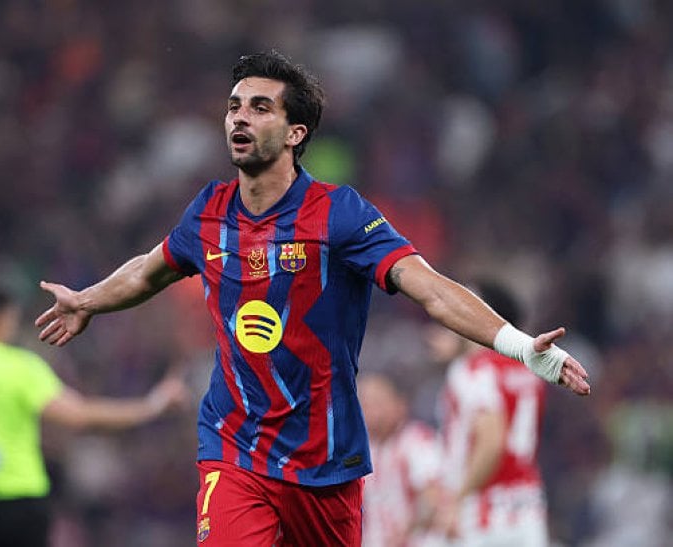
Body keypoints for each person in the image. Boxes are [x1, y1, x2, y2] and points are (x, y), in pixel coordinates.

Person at [35, 50, 590, 546]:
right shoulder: (209, 211)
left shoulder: (338, 214)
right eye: (234, 107)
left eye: (259, 108)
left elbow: (432, 290)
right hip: (235, 447)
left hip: (325, 460)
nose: (239, 118)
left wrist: (520, 346)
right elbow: (148, 271)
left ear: (295, 132)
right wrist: (87, 301)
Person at [0, 284, 188, 547]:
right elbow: (81, 417)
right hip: (21, 506)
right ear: (4, 318)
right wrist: (152, 405)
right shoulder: (19, 368)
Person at [427, 280, 549, 546]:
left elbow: (491, 442)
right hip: (526, 508)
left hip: (480, 510)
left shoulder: (472, 370)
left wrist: (457, 499)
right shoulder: (528, 368)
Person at [359, 373, 444, 547]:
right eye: (364, 403)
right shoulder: (360, 451)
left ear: (399, 405)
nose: (369, 410)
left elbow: (432, 498)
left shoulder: (416, 440)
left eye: (377, 403)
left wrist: (406, 531)